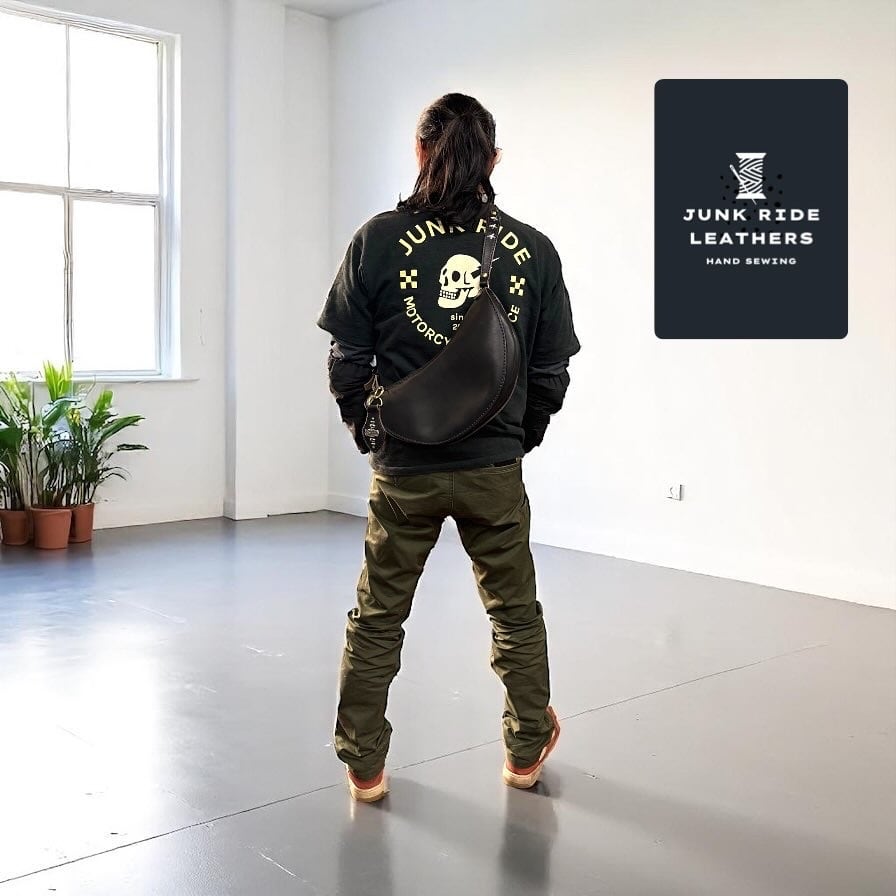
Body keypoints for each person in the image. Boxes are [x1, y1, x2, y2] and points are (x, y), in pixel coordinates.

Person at [317, 92, 581, 802]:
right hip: (494, 468)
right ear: (493, 159)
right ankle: (525, 749)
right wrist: (515, 437)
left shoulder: (377, 240)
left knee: (379, 616)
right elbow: (551, 370)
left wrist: (373, 435)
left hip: (404, 467)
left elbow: (347, 362)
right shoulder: (534, 249)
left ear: (420, 151)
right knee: (514, 612)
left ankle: (364, 764)